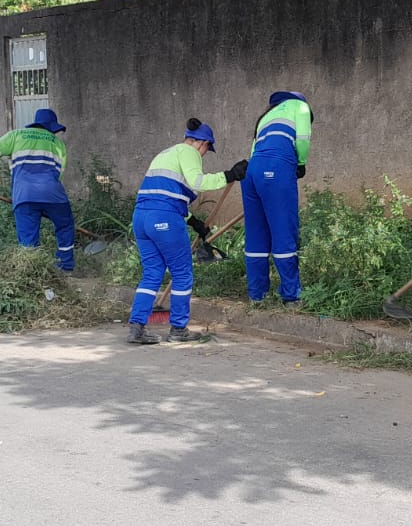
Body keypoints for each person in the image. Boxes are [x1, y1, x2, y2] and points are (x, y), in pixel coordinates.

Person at [126, 118, 250, 344]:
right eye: (206, 149)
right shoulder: (188, 151)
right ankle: (178, 330)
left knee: (152, 273)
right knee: (182, 274)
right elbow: (198, 181)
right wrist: (229, 175)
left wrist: (194, 222)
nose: (203, 154)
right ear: (201, 143)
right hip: (165, 218)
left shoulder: (165, 154)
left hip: (142, 217)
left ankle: (136, 328)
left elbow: (165, 194)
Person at [0, 109, 77, 271]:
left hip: (25, 196)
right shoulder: (58, 144)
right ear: (52, 127)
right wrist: (47, 203)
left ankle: (30, 271)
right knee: (65, 226)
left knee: (28, 238)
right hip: (54, 195)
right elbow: (59, 174)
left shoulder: (16, 135)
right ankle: (66, 266)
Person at [242, 91, 312, 306]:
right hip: (277, 167)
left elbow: (254, 150)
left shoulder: (265, 118)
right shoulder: (300, 107)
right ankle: (291, 296)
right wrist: (300, 163)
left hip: (251, 172)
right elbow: (302, 139)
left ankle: (257, 296)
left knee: (256, 235)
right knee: (283, 230)